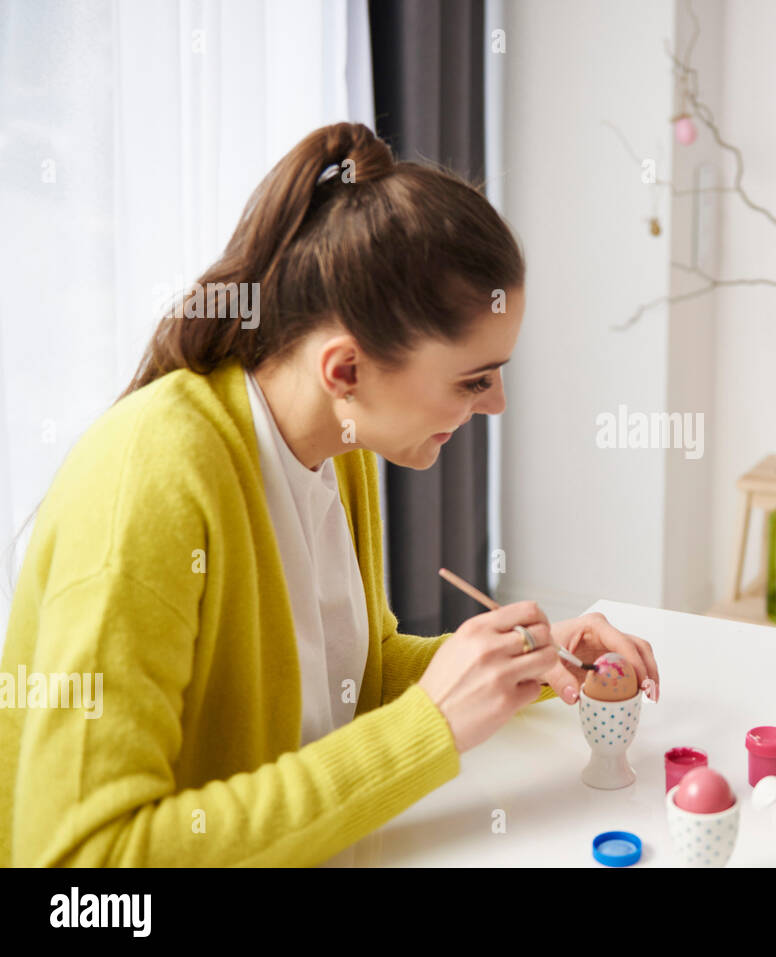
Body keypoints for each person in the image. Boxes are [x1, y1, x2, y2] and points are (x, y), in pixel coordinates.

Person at [0, 122, 659, 866]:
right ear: (344, 370)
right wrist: (430, 725)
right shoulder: (149, 483)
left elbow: (352, 684)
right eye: (474, 378)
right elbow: (80, 865)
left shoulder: (336, 445)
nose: (497, 403)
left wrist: (527, 658)